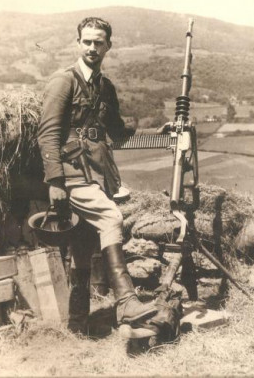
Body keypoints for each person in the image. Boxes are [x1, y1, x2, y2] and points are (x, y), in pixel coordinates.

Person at [37, 17, 157, 334]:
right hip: (72, 177)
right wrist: (55, 183)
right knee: (111, 218)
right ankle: (127, 303)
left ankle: (76, 326)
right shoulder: (64, 81)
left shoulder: (105, 88)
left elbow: (116, 132)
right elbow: (47, 136)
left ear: (108, 46)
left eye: (98, 42)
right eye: (87, 41)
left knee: (82, 247)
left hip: (98, 176)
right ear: (78, 43)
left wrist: (160, 132)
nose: (92, 47)